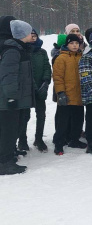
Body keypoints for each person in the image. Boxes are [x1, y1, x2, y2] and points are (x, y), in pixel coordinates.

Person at [0, 19, 35, 175]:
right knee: (8, 130)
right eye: (28, 32)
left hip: (16, 97)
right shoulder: (12, 50)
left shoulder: (18, 48)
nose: (31, 35)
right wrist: (11, 97)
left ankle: (9, 154)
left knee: (15, 127)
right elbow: (9, 75)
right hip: (9, 99)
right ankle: (4, 162)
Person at [52, 34, 86, 155]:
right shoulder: (61, 58)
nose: (75, 45)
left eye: (76, 43)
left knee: (78, 119)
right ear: (67, 44)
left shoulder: (81, 56)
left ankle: (74, 139)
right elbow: (57, 77)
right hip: (66, 95)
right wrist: (60, 92)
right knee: (63, 121)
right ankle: (59, 143)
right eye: (72, 43)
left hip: (79, 95)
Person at [29, 29, 52, 152]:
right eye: (31, 36)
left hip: (41, 88)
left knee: (41, 115)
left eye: (35, 36)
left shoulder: (42, 52)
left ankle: (39, 139)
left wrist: (46, 81)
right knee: (25, 116)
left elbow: (47, 67)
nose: (33, 38)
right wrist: (32, 85)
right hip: (27, 89)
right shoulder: (24, 51)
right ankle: (22, 140)